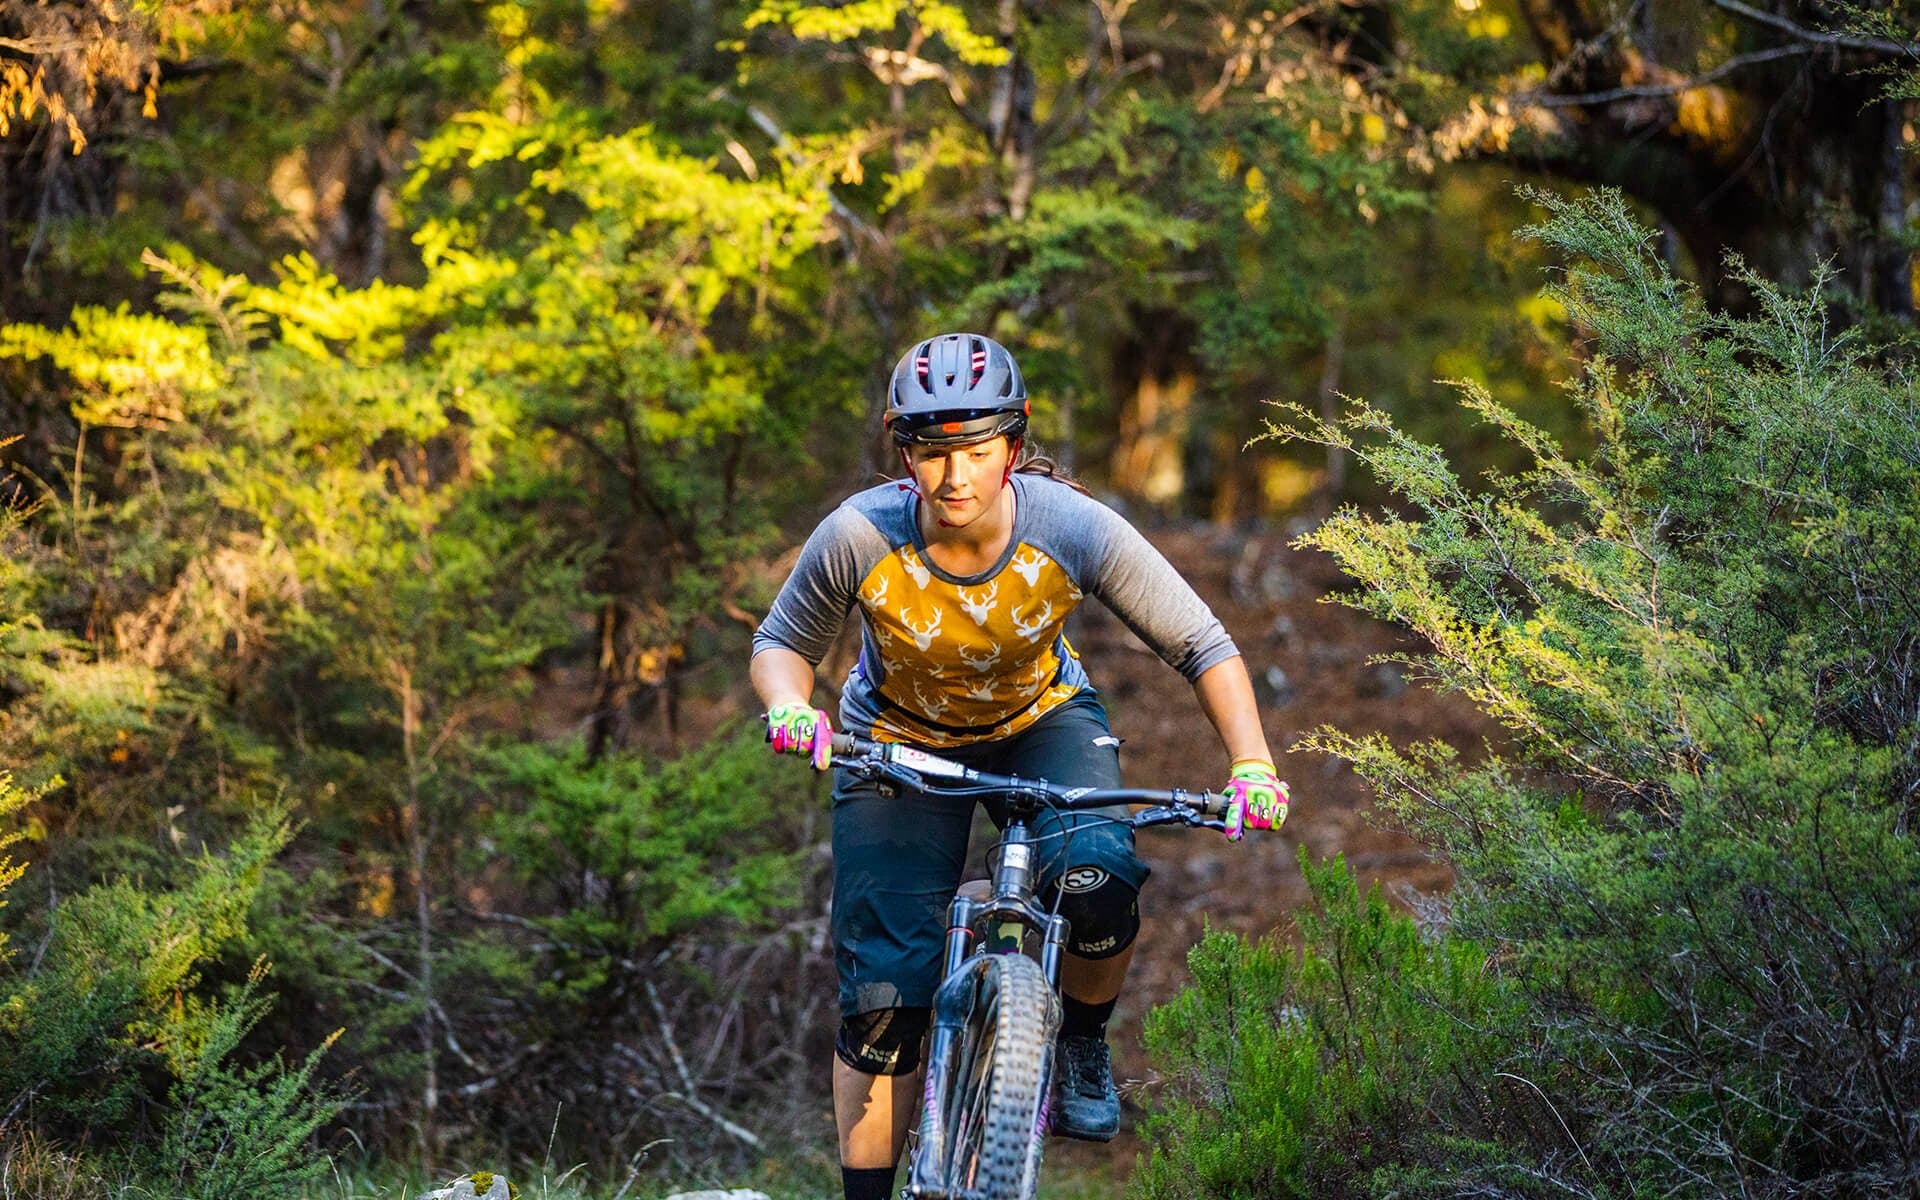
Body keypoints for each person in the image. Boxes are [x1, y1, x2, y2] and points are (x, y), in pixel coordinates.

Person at [751, 332, 1288, 1200]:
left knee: (1099, 876)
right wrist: (790, 706)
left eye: (975, 448)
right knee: (886, 1004)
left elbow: (1202, 643)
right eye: (931, 452)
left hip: (1040, 722)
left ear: (1014, 442)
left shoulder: (1068, 527)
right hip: (894, 740)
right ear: (904, 453)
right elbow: (783, 644)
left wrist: (1253, 766)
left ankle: (1077, 1036)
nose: (954, 475)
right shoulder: (859, 535)